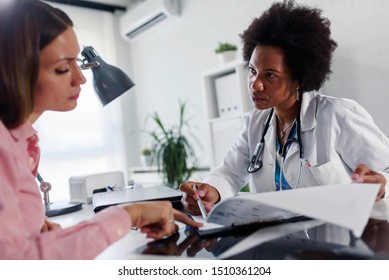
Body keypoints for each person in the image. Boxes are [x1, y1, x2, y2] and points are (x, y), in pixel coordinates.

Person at [0, 0, 201, 260]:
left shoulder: (22, 142)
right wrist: (131, 214)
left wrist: (30, 228)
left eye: (77, 62)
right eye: (63, 68)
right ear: (15, 72)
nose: (81, 78)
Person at [180, 0, 389, 216]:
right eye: (253, 71)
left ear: (299, 79)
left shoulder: (338, 115)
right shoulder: (255, 122)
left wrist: (382, 183)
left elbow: (386, 171)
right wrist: (210, 191)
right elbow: (229, 172)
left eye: (270, 75)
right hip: (274, 243)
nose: (255, 84)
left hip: (336, 241)